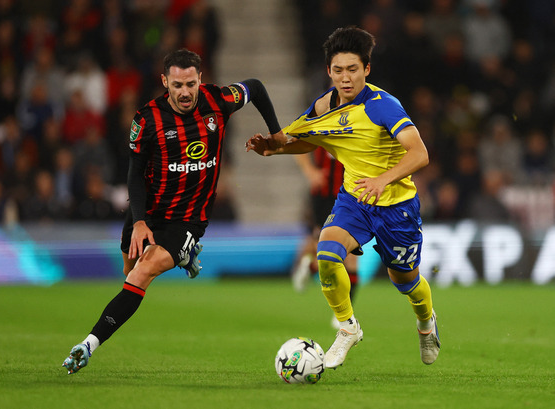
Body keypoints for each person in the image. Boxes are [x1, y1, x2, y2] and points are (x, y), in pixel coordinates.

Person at [62, 49, 285, 374]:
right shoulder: (146, 119)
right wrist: (138, 222)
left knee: (141, 273)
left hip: (188, 217)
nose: (185, 92)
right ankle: (184, 256)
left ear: (200, 80)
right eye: (177, 84)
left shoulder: (219, 100)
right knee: (129, 271)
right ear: (166, 81)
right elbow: (134, 173)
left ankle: (87, 346)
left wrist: (277, 135)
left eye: (191, 84)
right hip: (148, 210)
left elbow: (257, 87)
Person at [246, 27, 440, 369]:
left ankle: (426, 325)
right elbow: (312, 139)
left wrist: (384, 178)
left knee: (406, 282)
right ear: (329, 72)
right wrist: (274, 149)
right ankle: (348, 328)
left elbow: (420, 153)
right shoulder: (325, 104)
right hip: (355, 198)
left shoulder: (383, 106)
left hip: (397, 207)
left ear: (367, 69)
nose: (345, 78)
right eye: (338, 70)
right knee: (326, 251)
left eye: (353, 69)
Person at [291, 147, 359, 329]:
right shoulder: (318, 119)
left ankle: (344, 314)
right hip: (323, 196)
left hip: (352, 197)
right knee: (322, 247)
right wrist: (309, 171)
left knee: (351, 256)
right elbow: (297, 144)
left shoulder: (360, 122)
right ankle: (311, 266)